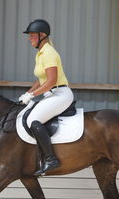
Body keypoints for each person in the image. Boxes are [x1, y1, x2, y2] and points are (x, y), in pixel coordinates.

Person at [19, 19, 74, 176]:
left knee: (32, 121)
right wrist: (27, 93)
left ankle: (51, 159)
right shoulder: (40, 53)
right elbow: (40, 80)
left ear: (42, 35)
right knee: (29, 114)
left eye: (32, 35)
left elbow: (51, 81)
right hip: (52, 93)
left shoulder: (49, 53)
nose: (29, 38)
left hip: (61, 94)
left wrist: (32, 95)